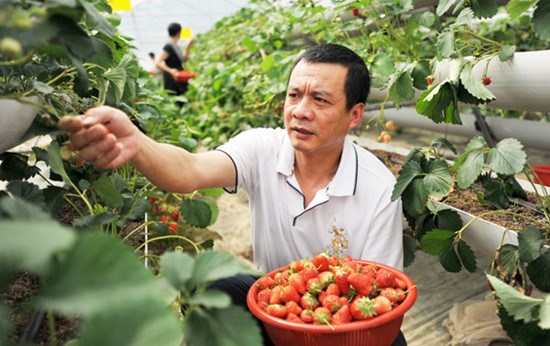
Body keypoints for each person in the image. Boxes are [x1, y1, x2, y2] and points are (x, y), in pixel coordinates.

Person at [58, 43, 406, 345]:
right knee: (210, 286)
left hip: (342, 330)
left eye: (320, 100)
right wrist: (136, 143)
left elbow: (379, 299)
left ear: (355, 115)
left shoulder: (379, 190)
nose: (300, 111)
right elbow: (189, 170)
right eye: (294, 95)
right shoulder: (262, 147)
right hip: (274, 308)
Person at [155, 22, 193, 96]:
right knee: (175, 99)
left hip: (179, 79)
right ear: (179, 33)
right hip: (172, 80)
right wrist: (171, 70)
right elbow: (158, 62)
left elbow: (183, 59)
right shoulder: (168, 47)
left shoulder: (176, 46)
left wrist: (188, 46)